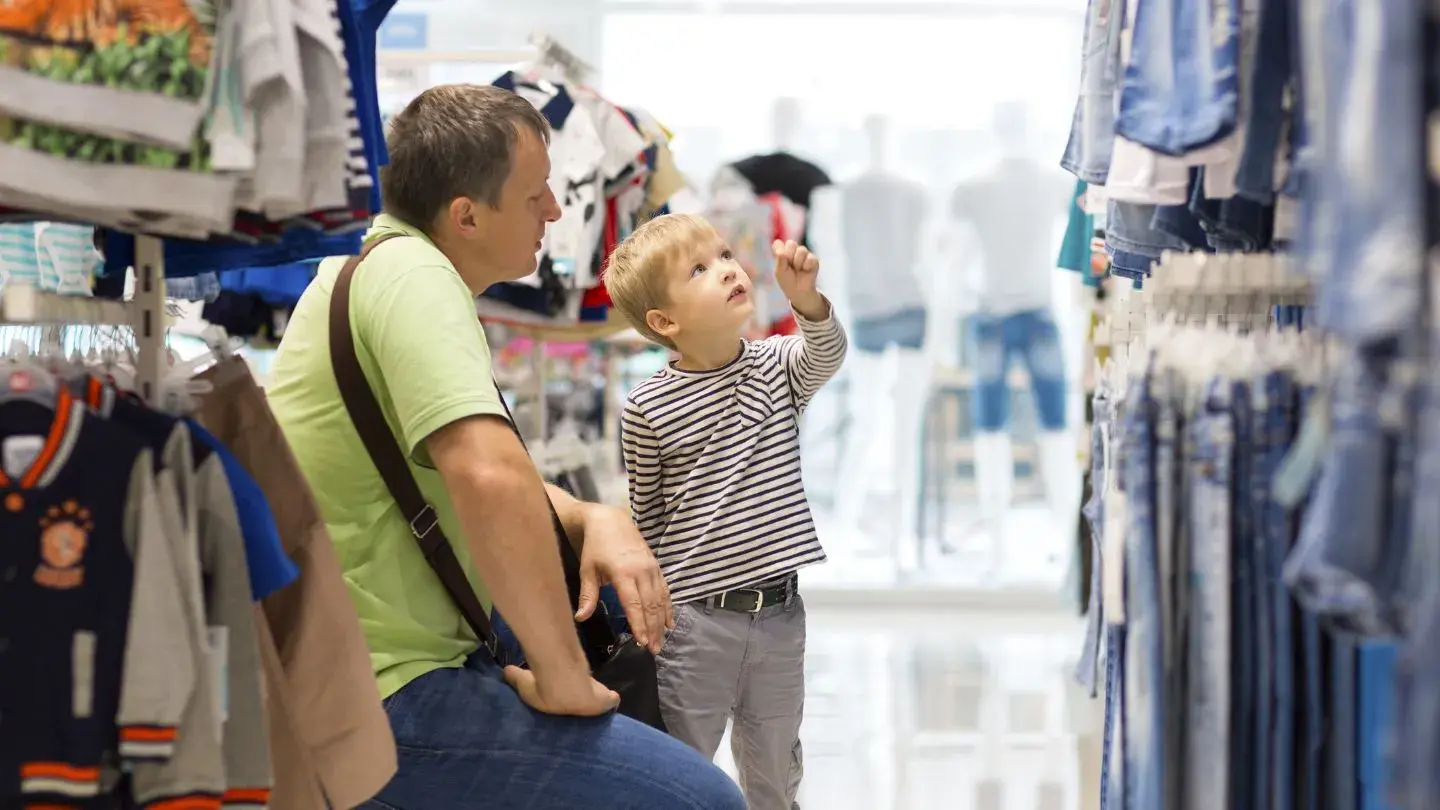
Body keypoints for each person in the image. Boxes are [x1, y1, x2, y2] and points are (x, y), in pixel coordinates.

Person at [265, 84, 747, 809]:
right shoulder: (417, 279)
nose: (555, 211)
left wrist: (592, 517)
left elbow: (457, 471)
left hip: (357, 667)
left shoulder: (367, 270)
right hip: (384, 691)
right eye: (534, 196)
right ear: (465, 215)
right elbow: (487, 475)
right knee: (702, 801)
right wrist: (559, 675)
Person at [603, 214, 849, 809]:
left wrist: (807, 302)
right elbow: (648, 516)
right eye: (699, 269)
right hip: (694, 623)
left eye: (722, 255)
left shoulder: (774, 366)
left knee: (774, 769)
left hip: (780, 614)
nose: (726, 269)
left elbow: (828, 354)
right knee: (686, 770)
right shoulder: (646, 407)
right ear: (665, 322)